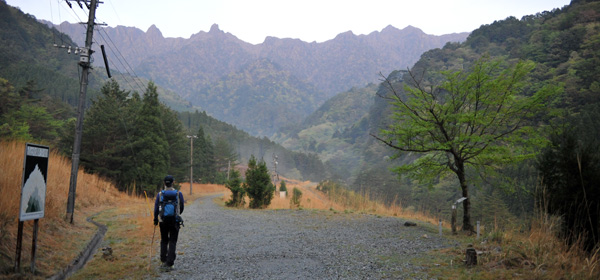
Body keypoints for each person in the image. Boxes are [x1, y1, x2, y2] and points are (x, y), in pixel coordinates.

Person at [153, 175, 184, 271]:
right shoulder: (178, 194)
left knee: (164, 240)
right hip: (174, 221)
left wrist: (155, 218)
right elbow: (182, 206)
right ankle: (170, 263)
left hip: (163, 221)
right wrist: (177, 214)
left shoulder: (160, 194)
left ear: (164, 183)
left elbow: (156, 208)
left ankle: (163, 259)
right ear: (173, 182)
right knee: (172, 241)